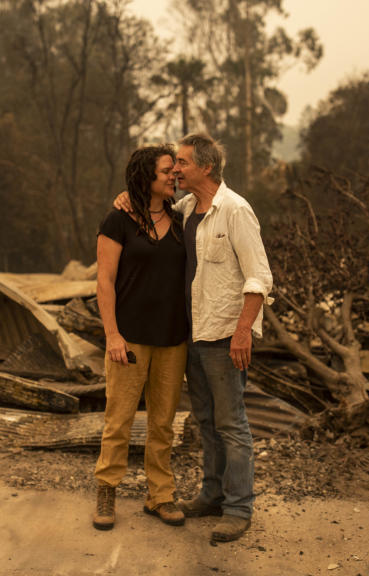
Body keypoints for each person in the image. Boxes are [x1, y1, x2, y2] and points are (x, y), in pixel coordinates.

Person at [116, 132, 272, 543]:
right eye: (173, 165)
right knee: (206, 421)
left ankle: (239, 509)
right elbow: (147, 202)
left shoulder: (235, 211)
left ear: (205, 166)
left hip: (224, 335)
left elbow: (260, 276)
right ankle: (212, 494)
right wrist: (125, 196)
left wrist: (243, 332)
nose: (176, 170)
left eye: (182, 163)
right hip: (193, 335)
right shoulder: (186, 209)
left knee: (232, 424)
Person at [93, 144, 190, 532]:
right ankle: (106, 489)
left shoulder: (182, 218)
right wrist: (113, 334)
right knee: (118, 420)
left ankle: (160, 496)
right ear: (146, 177)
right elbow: (104, 281)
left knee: (163, 424)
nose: (174, 176)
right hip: (129, 339)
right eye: (167, 171)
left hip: (173, 338)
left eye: (175, 170)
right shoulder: (118, 220)